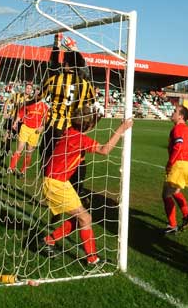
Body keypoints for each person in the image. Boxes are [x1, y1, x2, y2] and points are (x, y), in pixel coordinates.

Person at [40, 106, 133, 264]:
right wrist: (121, 128)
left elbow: (84, 126)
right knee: (85, 217)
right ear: (87, 126)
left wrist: (95, 118)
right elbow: (104, 150)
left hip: (58, 181)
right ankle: (92, 258)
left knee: (83, 217)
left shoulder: (70, 131)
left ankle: (49, 240)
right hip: (56, 183)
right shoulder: (80, 139)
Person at [40, 33, 96, 195]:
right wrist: (75, 49)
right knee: (78, 160)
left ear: (65, 65)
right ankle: (78, 190)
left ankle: (48, 193)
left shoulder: (56, 79)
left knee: (49, 160)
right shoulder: (83, 81)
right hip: (73, 130)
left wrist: (56, 45)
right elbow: (84, 70)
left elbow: (52, 65)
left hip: (54, 128)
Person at [162, 105, 188, 234]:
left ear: (180, 116)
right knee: (175, 191)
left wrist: (170, 163)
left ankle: (172, 225)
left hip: (180, 164)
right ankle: (186, 216)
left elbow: (178, 146)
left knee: (166, 194)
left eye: (175, 111)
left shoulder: (177, 129)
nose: (172, 113)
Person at [8, 90, 49, 176]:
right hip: (25, 128)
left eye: (39, 93)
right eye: (36, 93)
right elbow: (20, 113)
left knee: (29, 152)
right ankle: (11, 168)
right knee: (20, 148)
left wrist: (42, 127)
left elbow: (46, 121)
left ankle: (23, 171)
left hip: (35, 131)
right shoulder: (28, 103)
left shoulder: (45, 107)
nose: (37, 95)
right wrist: (15, 122)